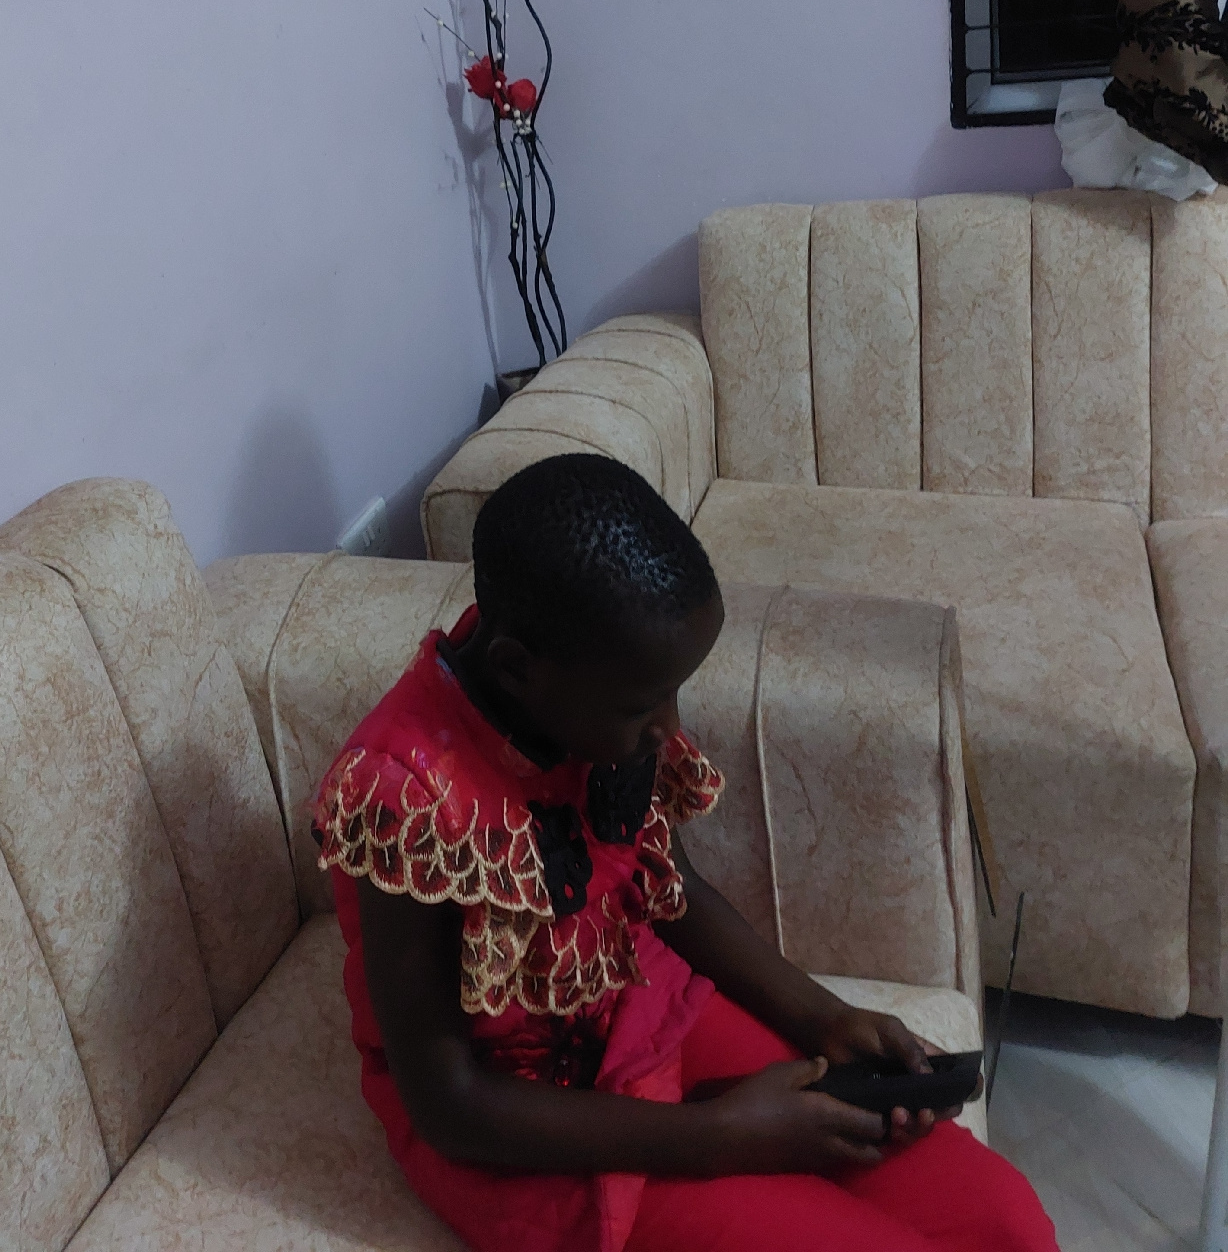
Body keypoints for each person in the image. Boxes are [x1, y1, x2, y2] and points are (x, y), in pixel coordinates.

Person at [312, 454, 1057, 1252]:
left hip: (640, 1009)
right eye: (644, 705)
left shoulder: (588, 696)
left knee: (1006, 1219)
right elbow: (449, 1105)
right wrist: (720, 1137)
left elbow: (671, 888)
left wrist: (824, 1017)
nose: (668, 727)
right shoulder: (402, 798)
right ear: (518, 671)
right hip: (525, 1121)